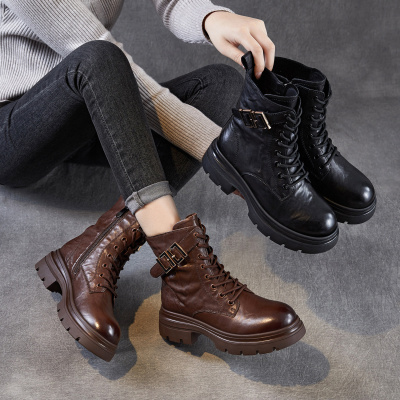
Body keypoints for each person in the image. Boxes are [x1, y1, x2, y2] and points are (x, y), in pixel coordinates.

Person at [0, 0, 374, 362]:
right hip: (15, 129)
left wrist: (213, 18)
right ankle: (186, 277)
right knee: (100, 58)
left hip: (88, 109)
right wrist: (224, 154)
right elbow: (89, 50)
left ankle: (91, 252)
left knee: (221, 85)